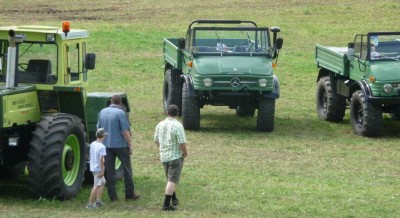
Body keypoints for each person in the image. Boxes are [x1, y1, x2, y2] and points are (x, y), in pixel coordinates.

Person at [97, 94, 140, 201]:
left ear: (111, 101)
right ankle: (129, 194)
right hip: (120, 145)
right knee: (127, 169)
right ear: (120, 103)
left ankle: (113, 196)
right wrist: (130, 145)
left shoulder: (102, 112)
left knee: (109, 171)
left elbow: (98, 129)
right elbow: (125, 131)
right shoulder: (120, 113)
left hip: (106, 145)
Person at [154, 104, 188, 211]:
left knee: (169, 178)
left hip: (164, 156)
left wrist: (162, 148)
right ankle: (166, 205)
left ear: (167, 112)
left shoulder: (160, 124)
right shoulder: (178, 125)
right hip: (175, 156)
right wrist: (185, 153)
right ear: (177, 113)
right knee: (172, 180)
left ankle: (174, 198)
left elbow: (156, 140)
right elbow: (182, 143)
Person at [86, 128, 107, 209]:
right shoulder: (102, 147)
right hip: (98, 168)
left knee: (103, 182)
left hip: (93, 167)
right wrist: (102, 171)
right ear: (103, 136)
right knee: (96, 185)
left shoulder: (92, 144)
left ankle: (98, 201)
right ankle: (90, 204)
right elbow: (101, 160)